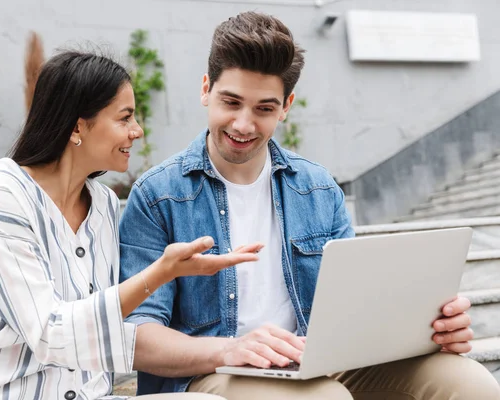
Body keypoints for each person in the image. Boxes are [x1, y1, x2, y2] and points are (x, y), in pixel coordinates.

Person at [119, 11, 500, 400]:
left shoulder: (318, 188)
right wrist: (230, 349)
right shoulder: (157, 195)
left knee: (473, 385)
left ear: (286, 106)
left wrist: (431, 328)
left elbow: (358, 305)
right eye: (231, 102)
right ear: (206, 89)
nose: (244, 124)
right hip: (214, 369)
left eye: (264, 109)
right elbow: (138, 338)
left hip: (315, 361)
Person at [0, 50, 260, 400]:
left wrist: (230, 351)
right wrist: (161, 273)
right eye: (124, 118)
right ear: (77, 126)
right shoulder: (1, 200)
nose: (137, 131)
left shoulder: (102, 205)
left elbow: (102, 332)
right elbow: (51, 334)